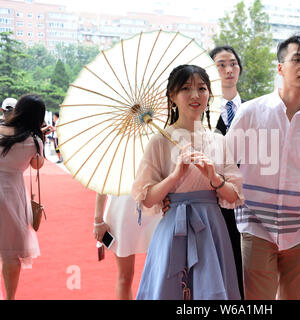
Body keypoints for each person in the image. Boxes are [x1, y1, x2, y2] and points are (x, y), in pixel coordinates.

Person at [227, 35, 300, 300]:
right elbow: (225, 161)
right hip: (255, 226)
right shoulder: (251, 112)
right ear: (280, 68)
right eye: (297, 60)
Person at [131, 64, 243, 300]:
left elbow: (234, 196)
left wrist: (214, 178)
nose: (195, 95)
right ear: (172, 96)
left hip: (212, 229)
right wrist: (175, 176)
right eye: (185, 88)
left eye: (202, 88)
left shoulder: (218, 141)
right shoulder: (159, 143)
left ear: (209, 95)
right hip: (173, 229)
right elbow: (148, 197)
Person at [0, 94, 51, 300]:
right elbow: (37, 165)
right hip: (12, 193)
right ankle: (10, 297)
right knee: (10, 252)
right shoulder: (35, 140)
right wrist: (41, 140)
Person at [209, 45, 245, 298]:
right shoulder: (202, 112)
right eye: (220, 65)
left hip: (250, 199)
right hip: (214, 199)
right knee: (219, 266)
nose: (228, 69)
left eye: (232, 63)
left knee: (247, 270)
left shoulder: (253, 109)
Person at [93, 194, 161, 299]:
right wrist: (98, 221)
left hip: (153, 210)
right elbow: (101, 185)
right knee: (125, 276)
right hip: (121, 214)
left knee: (159, 272)